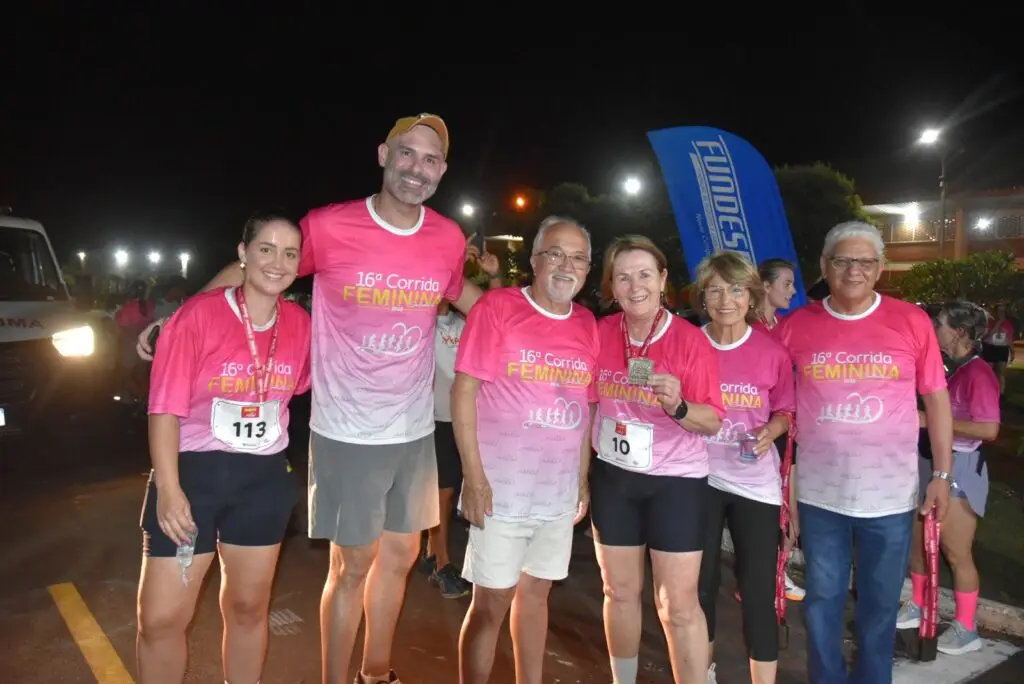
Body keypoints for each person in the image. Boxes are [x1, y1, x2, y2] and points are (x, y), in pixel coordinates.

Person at [136, 114, 496, 684]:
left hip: (414, 430)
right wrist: (180, 318)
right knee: (351, 567)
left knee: (399, 560)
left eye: (430, 159)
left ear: (443, 170)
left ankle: (375, 672)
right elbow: (260, 267)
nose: (416, 168)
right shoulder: (329, 226)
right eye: (406, 153)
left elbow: (464, 295)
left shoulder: (447, 237)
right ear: (383, 155)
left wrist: (529, 324)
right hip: (347, 431)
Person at [774, 221, 953, 684]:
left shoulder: (910, 321)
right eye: (843, 260)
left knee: (879, 606)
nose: (854, 270)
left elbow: (936, 400)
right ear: (824, 265)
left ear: (880, 267)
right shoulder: (797, 326)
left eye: (865, 261)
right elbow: (769, 392)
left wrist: (942, 475)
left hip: (890, 497)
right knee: (822, 601)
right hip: (821, 495)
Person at [136, 212, 311, 684]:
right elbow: (163, 407)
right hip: (192, 477)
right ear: (243, 253)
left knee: (249, 608)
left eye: (290, 253)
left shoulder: (300, 324)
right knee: (161, 620)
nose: (277, 262)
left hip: (263, 481)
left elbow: (308, 384)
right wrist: (168, 488)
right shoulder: (198, 315)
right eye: (266, 249)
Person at [453, 216, 598, 684]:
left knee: (536, 598)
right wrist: (473, 478)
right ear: (535, 260)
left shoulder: (587, 323)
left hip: (556, 494)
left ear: (588, 269)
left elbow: (585, 407)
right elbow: (464, 391)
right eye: (555, 253)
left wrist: (581, 480)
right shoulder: (497, 307)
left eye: (578, 258)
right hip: (501, 491)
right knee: (490, 604)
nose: (566, 265)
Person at [588, 235, 725, 684]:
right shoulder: (601, 332)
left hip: (675, 482)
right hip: (613, 478)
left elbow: (712, 421)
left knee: (677, 605)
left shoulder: (689, 340)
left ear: (663, 279)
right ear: (612, 286)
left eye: (645, 274)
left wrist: (679, 406)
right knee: (618, 591)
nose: (635, 286)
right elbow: (588, 404)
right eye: (623, 277)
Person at [694, 252, 796, 684]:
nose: (725, 300)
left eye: (735, 289)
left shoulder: (772, 352)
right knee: (699, 586)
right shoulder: (688, 343)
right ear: (703, 297)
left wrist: (771, 430)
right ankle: (703, 672)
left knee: (757, 591)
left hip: (755, 483)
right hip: (696, 477)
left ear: (751, 296)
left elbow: (786, 410)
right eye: (715, 290)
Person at [898, 301, 1000, 655]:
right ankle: (917, 604)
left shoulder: (978, 373)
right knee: (916, 542)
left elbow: (989, 429)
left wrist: (932, 421)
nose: (933, 329)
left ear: (958, 332)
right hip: (931, 463)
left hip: (961, 468)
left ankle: (967, 627)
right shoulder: (954, 370)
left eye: (938, 324)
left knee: (956, 553)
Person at [753, 258, 797, 333]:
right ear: (767, 286)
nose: (794, 291)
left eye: (793, 285)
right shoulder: (747, 326)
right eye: (787, 284)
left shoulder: (785, 326)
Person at [981, 303, 1014, 394]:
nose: (1001, 313)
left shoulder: (1008, 324)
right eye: (999, 311)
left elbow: (1009, 339)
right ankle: (988, 391)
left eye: (1003, 311)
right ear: (995, 312)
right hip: (990, 347)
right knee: (989, 371)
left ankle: (1001, 393)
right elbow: (985, 337)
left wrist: (1012, 351)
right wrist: (998, 323)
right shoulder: (990, 322)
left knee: (1000, 372)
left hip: (1002, 349)